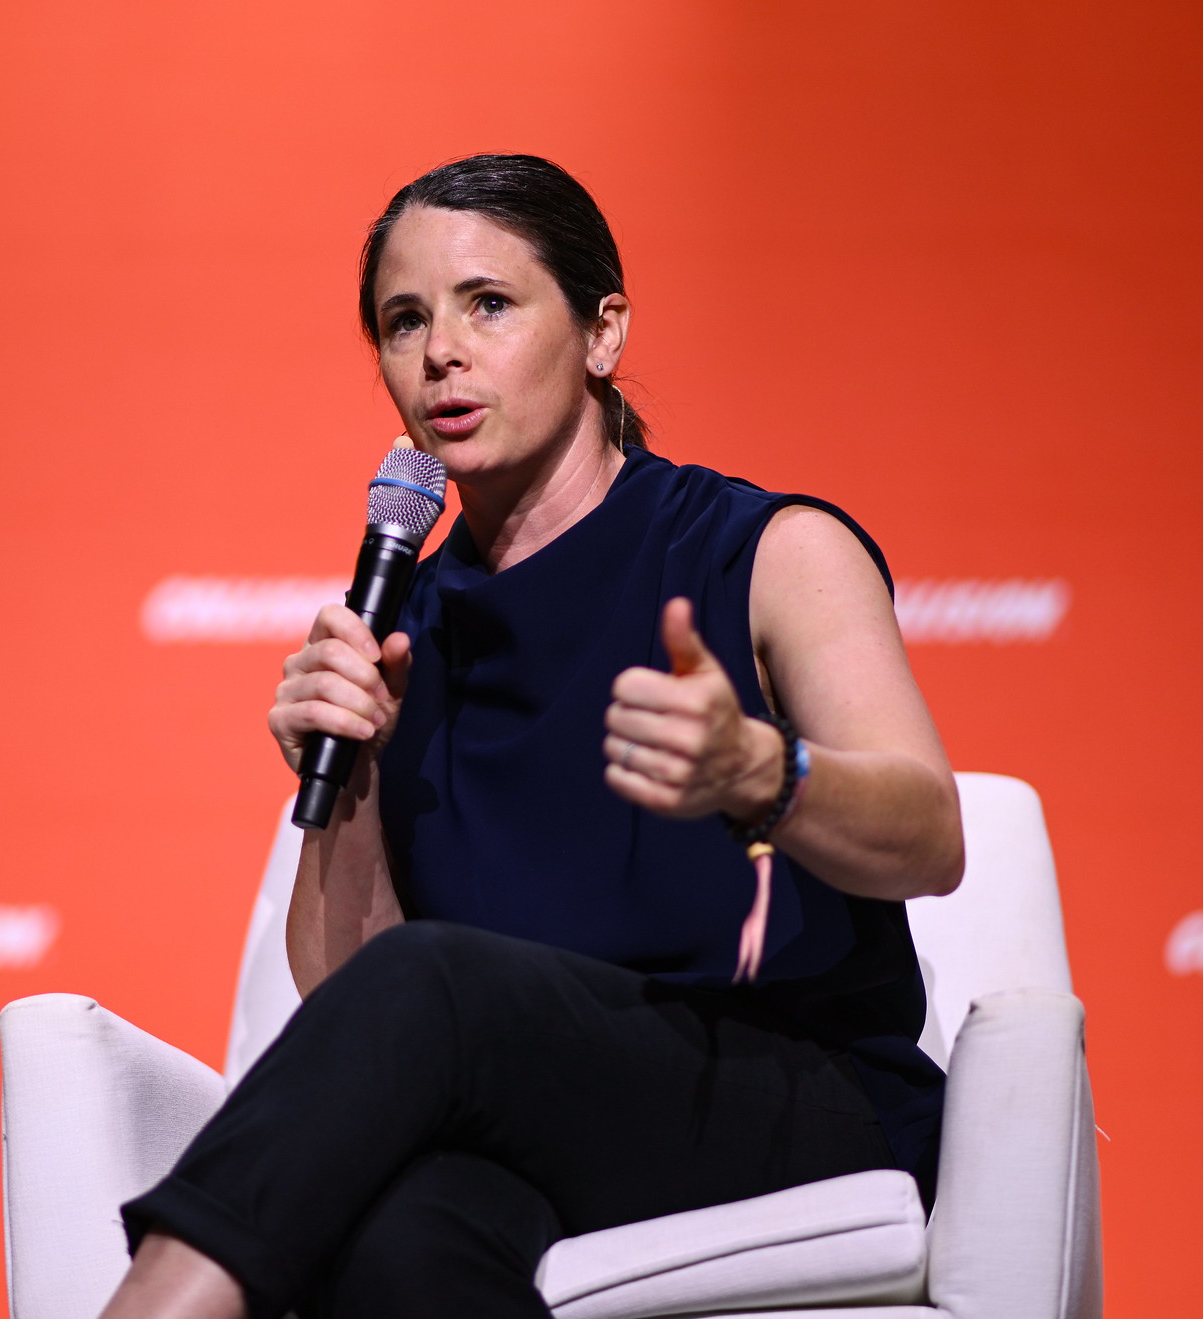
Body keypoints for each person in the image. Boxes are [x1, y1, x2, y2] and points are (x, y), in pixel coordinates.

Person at [100, 154, 964, 1319]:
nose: (438, 352)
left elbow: (930, 837)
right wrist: (347, 775)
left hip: (792, 1088)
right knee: (397, 1241)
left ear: (603, 331)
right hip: (547, 1113)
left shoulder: (765, 550)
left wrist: (760, 772)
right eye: (404, 322)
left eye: (486, 304)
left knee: (436, 992)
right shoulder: (401, 618)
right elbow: (353, 994)